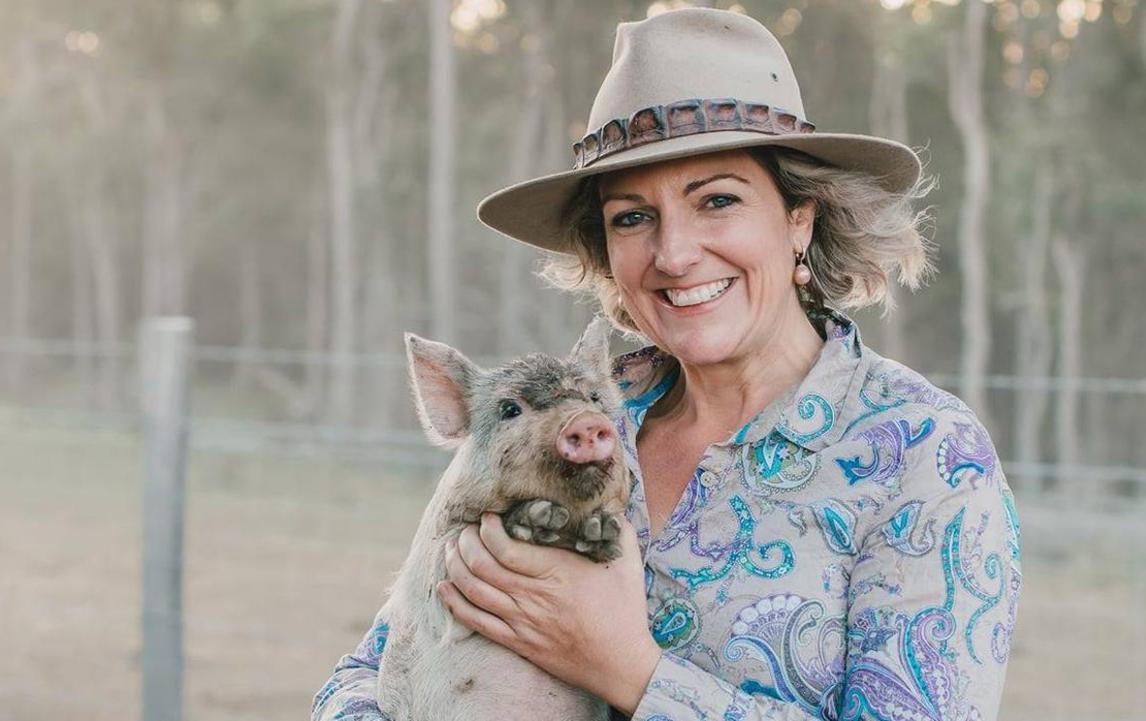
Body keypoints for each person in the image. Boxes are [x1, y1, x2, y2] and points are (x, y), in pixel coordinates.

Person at [313, 7, 1020, 721]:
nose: (674, 253)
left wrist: (629, 669)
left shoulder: (924, 455)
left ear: (798, 217)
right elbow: (385, 655)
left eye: (717, 200)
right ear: (605, 250)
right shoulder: (568, 411)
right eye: (631, 216)